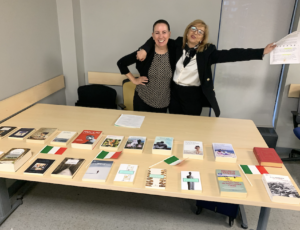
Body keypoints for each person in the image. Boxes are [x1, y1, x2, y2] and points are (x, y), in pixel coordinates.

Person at [137, 19, 276, 117]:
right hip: (174, 94)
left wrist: (261, 51)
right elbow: (158, 38)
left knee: (190, 129)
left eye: (200, 32)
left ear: (202, 38)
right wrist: (144, 49)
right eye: (193, 28)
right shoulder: (177, 44)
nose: (195, 33)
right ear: (187, 31)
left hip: (193, 96)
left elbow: (232, 54)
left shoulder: (207, 52)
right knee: (174, 126)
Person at [117, 19, 176, 113]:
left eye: (164, 32)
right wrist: (134, 80)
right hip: (143, 100)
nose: (161, 36)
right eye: (157, 33)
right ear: (152, 35)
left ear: (169, 34)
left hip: (163, 103)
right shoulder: (145, 52)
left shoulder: (174, 49)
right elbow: (121, 63)